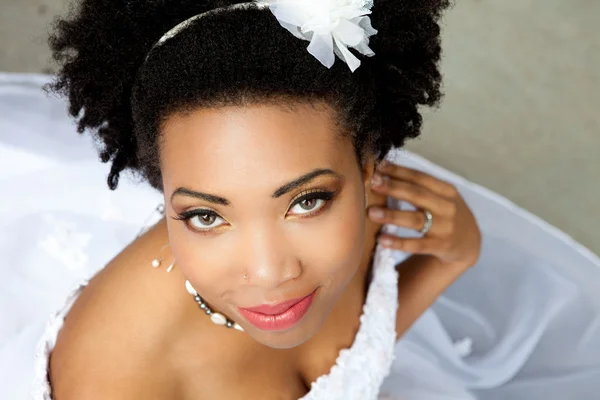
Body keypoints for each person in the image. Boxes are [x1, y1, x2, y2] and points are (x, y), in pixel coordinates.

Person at [0, 0, 599, 399]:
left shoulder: (375, 213)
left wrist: (453, 255)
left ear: (370, 166)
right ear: (162, 198)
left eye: (306, 201)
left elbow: (357, 352)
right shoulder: (116, 379)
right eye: (206, 215)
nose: (270, 272)